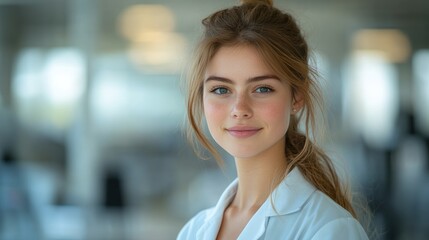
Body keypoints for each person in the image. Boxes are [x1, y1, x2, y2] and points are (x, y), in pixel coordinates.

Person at [178, 0, 369, 239]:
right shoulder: (193, 231)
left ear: (297, 96)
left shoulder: (328, 229)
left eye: (262, 89)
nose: (239, 109)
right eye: (221, 90)